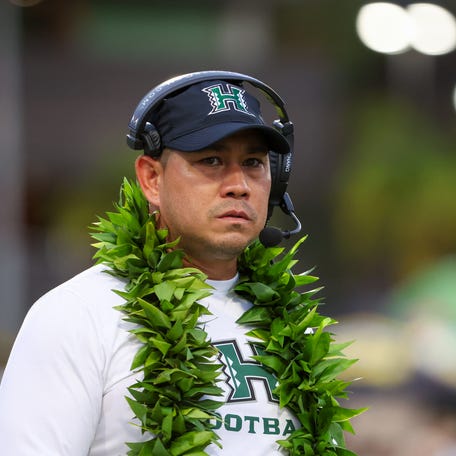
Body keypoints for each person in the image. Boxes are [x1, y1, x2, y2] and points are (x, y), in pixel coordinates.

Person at [0, 72, 359, 455]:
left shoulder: (293, 327)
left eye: (253, 162)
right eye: (212, 160)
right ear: (151, 179)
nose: (238, 184)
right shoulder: (77, 314)